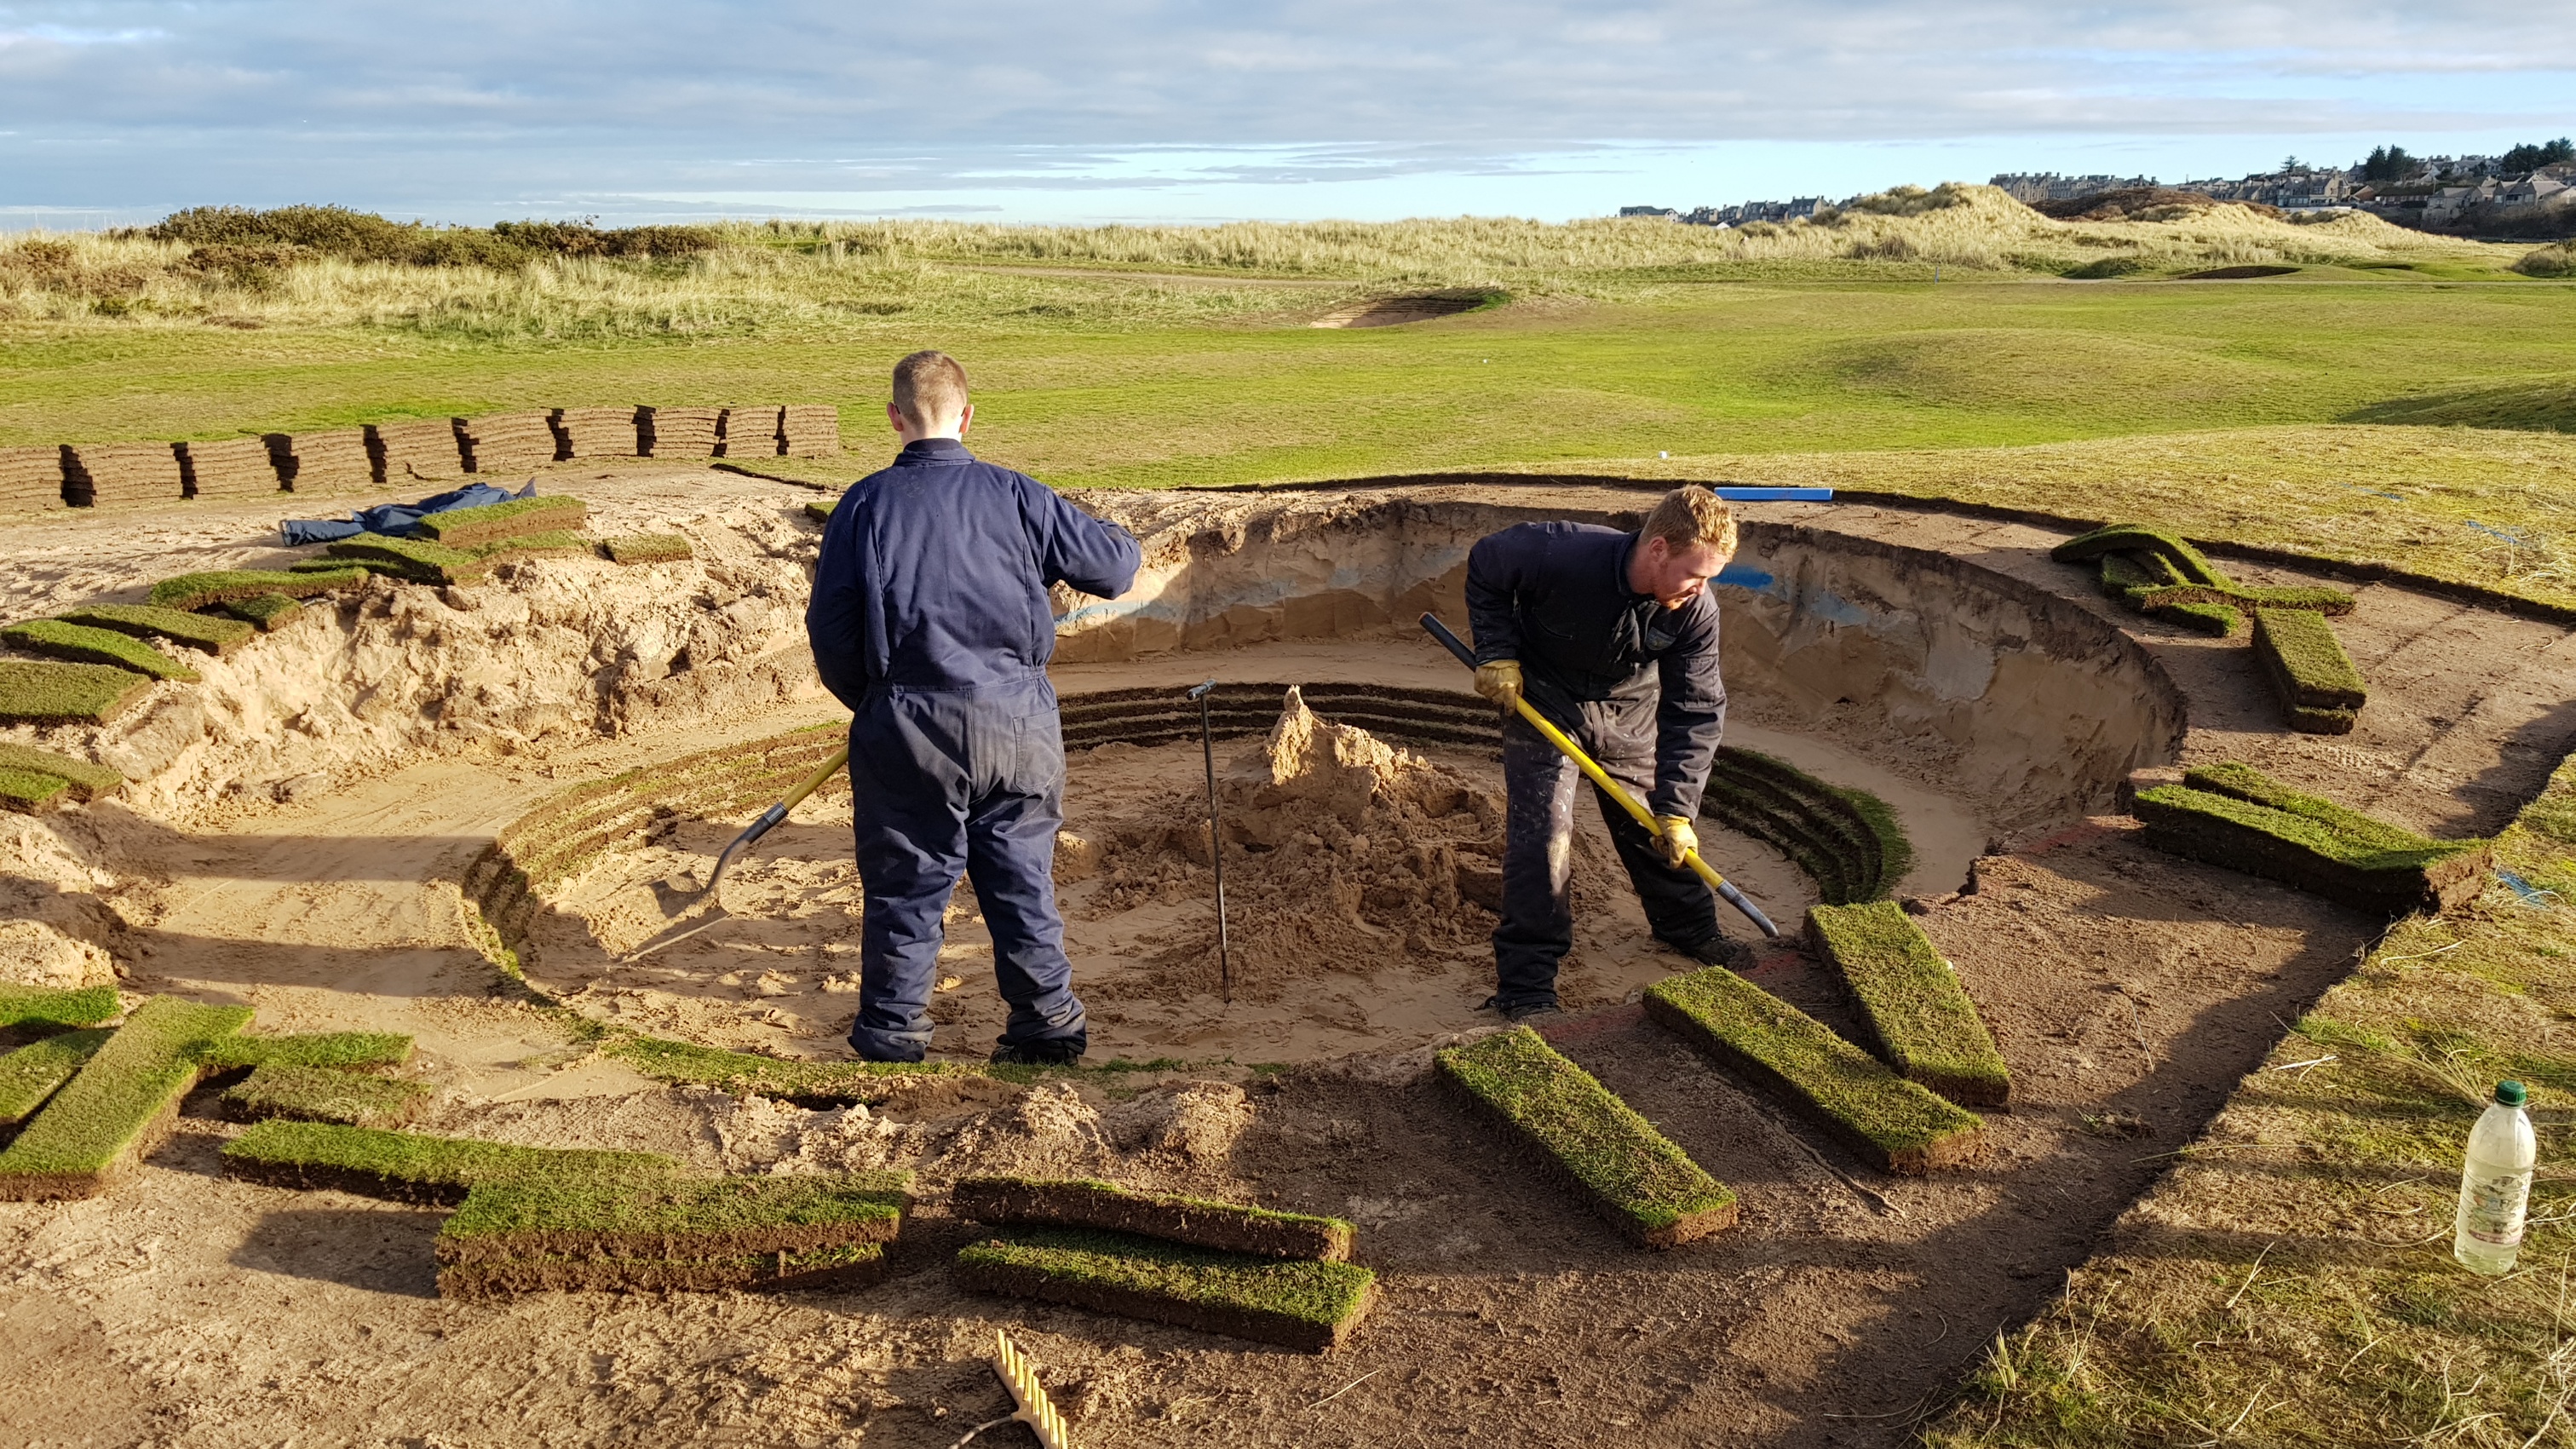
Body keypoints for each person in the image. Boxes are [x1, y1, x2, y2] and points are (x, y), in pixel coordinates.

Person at [806, 350, 1141, 1064]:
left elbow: (830, 633)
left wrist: (874, 706)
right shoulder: (1018, 495)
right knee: (1022, 875)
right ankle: (1048, 1023)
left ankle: (896, 1034)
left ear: (895, 418)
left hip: (910, 726)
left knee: (908, 886)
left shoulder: (864, 505)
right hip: (1018, 723)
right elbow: (1115, 565)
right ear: (967, 415)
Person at [1463, 485, 1739, 1022]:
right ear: (1658, 549)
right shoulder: (1559, 553)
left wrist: (1679, 806)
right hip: (1543, 703)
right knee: (1543, 836)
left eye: (1710, 578)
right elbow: (1486, 567)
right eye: (1694, 573)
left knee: (1655, 827)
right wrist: (1497, 652)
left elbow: (1697, 708)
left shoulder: (1695, 611)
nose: (1701, 588)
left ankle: (1689, 930)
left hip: (1628, 713)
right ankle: (1525, 986)